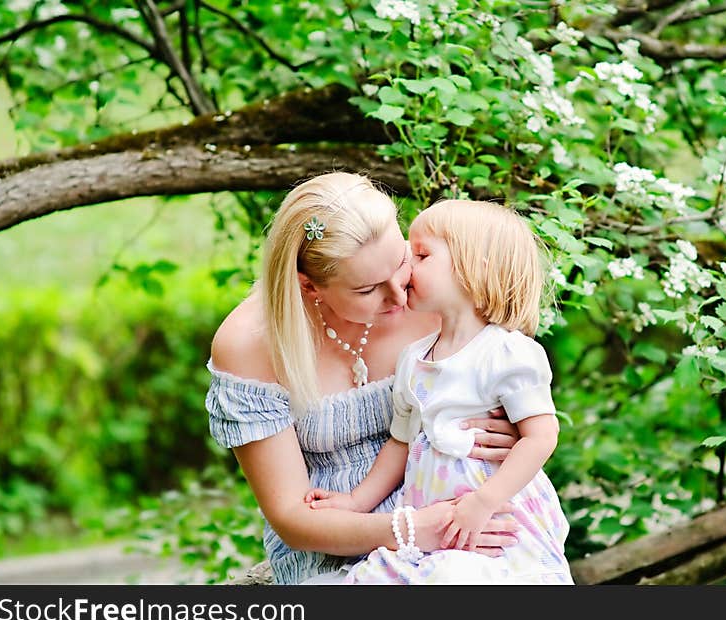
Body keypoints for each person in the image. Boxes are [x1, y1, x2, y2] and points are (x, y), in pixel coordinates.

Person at [205, 172, 524, 584]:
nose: (399, 294)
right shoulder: (249, 344)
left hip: (457, 504)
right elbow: (291, 516)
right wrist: (417, 529)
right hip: (336, 542)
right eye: (368, 289)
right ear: (309, 286)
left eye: (402, 261)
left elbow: (513, 368)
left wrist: (514, 425)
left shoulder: (442, 283)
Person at [306, 199, 574, 584]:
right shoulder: (413, 357)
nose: (405, 268)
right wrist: (355, 502)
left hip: (494, 519)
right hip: (432, 518)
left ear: (473, 267)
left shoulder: (507, 352)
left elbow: (542, 436)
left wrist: (482, 503)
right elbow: (401, 442)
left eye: (421, 254)